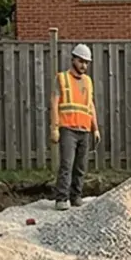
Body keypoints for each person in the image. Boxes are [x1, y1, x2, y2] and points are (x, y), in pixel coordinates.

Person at [53, 43, 97, 209]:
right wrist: (54, 128)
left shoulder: (88, 81)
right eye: (81, 61)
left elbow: (90, 105)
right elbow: (54, 103)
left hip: (84, 129)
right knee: (67, 165)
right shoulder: (62, 78)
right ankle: (61, 198)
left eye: (86, 62)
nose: (84, 65)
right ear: (73, 60)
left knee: (81, 167)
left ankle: (76, 196)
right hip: (68, 128)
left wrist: (95, 128)